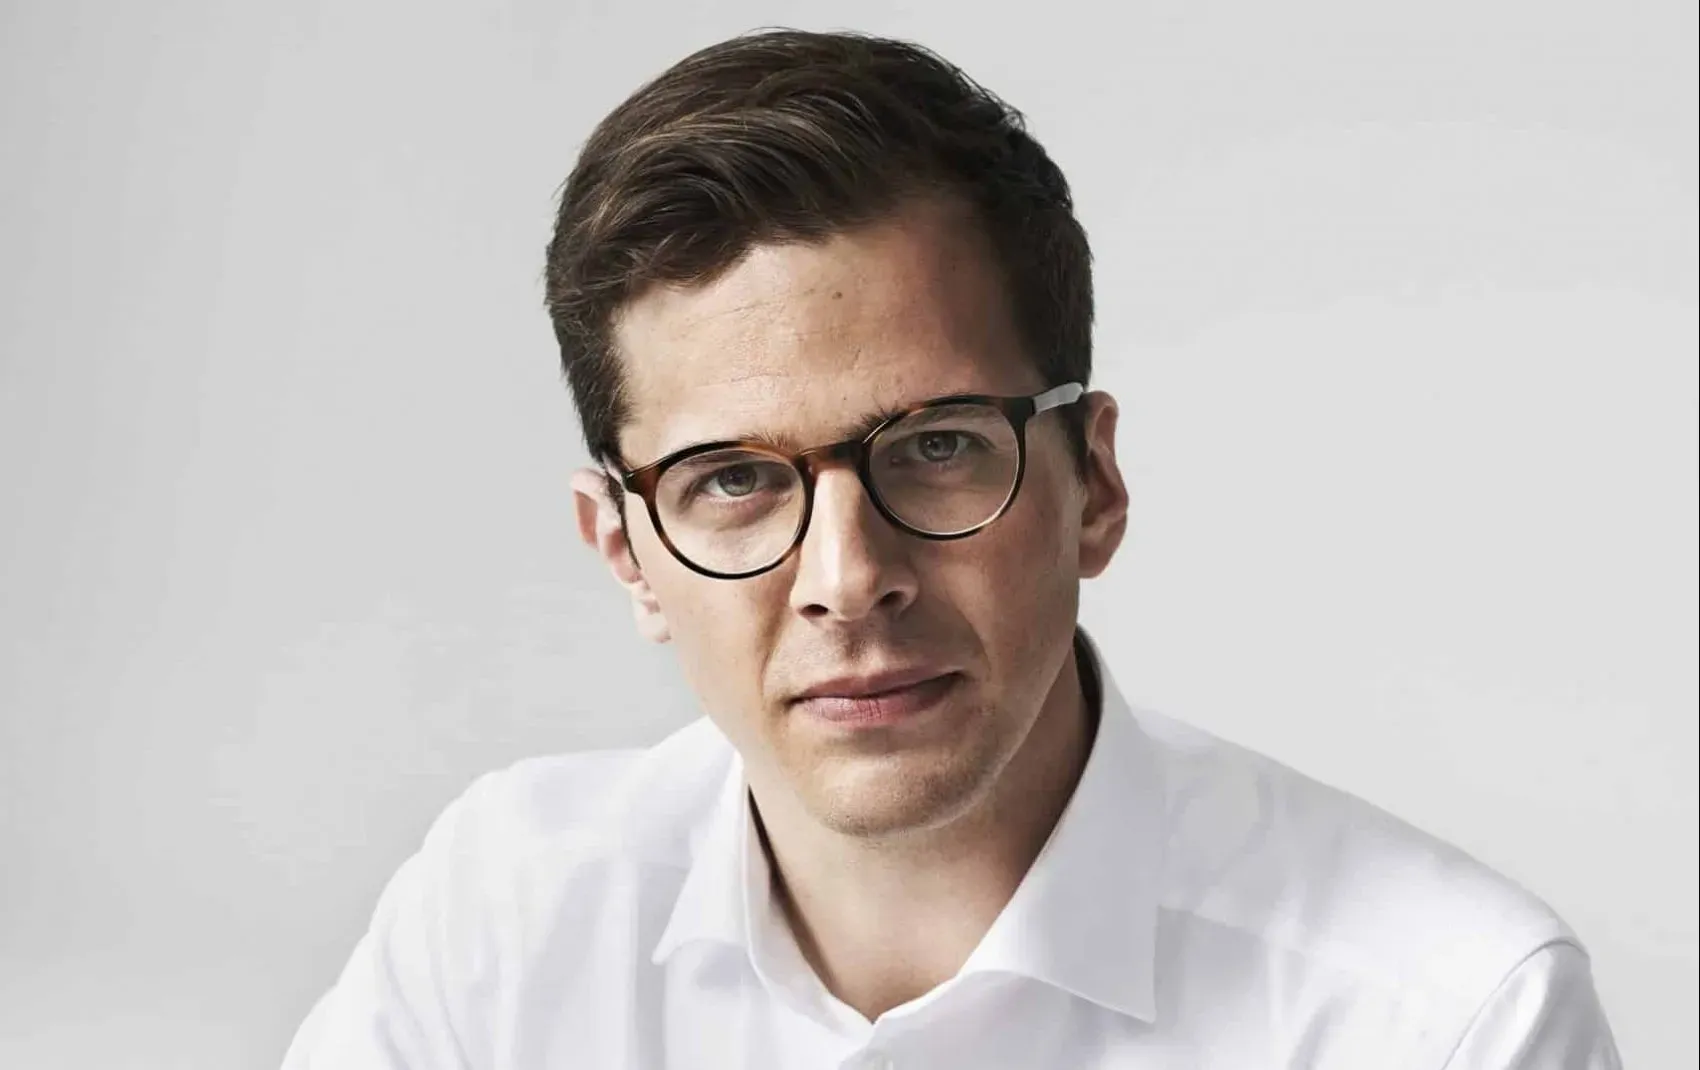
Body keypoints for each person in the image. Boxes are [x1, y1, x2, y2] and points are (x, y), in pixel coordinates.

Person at [282, 29, 1622, 1069]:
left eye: (934, 446)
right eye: (733, 480)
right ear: (627, 552)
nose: (848, 579)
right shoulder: (499, 923)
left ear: (1094, 484)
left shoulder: (1449, 1017)